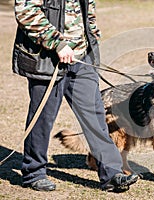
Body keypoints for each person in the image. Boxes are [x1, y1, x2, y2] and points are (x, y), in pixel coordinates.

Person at [12, 0, 138, 192]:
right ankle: (34, 173)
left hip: (82, 58)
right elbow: (26, 11)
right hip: (48, 58)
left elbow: (88, 11)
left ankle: (112, 174)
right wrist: (58, 43)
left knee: (95, 116)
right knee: (43, 118)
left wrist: (92, 37)